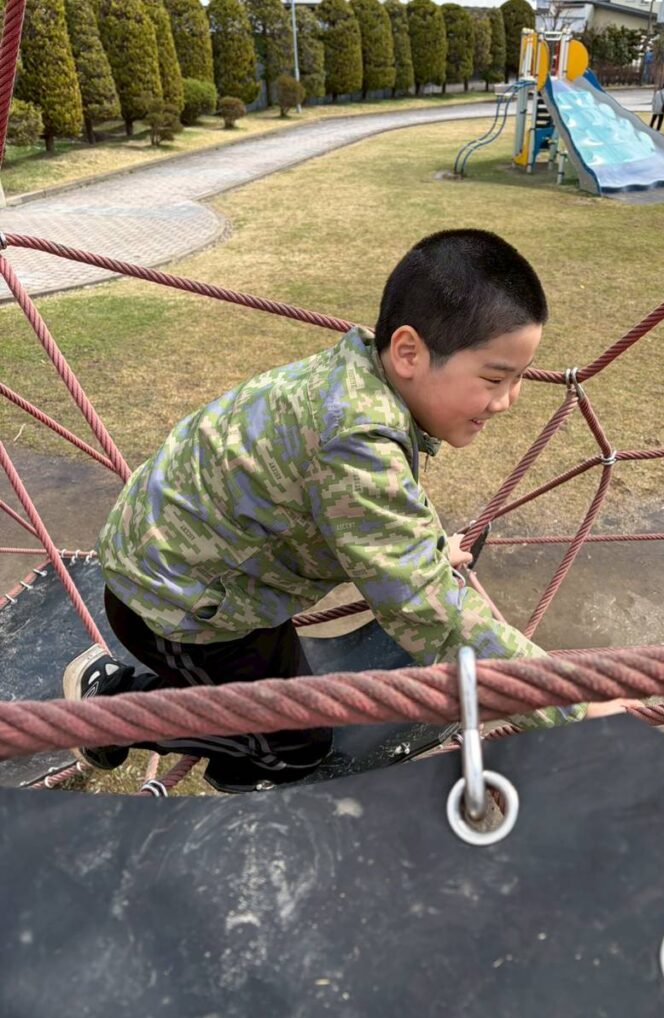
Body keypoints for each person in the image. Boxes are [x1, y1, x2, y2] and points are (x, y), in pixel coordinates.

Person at [64, 229, 601, 794]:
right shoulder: (355, 438)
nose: (508, 399)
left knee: (296, 704)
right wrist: (571, 705)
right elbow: (428, 612)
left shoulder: (360, 374)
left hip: (212, 564)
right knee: (291, 749)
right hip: (176, 603)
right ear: (409, 352)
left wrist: (426, 550)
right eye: (495, 377)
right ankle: (107, 707)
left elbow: (372, 507)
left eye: (518, 378)